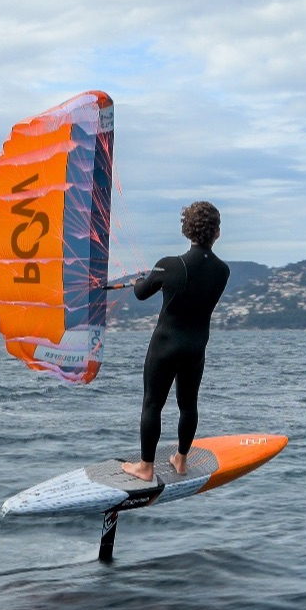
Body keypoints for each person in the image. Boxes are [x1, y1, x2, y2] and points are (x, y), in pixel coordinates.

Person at [122, 201, 231, 482]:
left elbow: (141, 293)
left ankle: (145, 467)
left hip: (165, 346)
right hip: (196, 348)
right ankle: (181, 461)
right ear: (216, 233)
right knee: (188, 405)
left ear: (186, 229)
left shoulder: (169, 265)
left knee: (152, 404)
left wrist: (138, 282)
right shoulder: (223, 272)